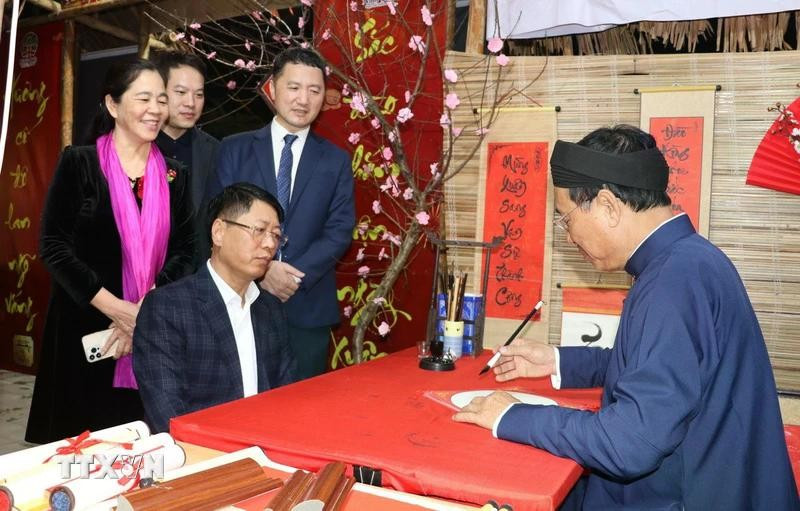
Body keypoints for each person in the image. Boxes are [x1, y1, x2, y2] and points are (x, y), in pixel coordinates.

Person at [453, 125, 799, 509]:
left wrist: (513, 416)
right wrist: (557, 360)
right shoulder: (688, 260)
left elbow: (630, 443)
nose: (568, 237)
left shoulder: (674, 281)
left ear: (607, 206)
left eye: (565, 219)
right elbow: (657, 366)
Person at [26, 59, 195, 444]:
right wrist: (118, 310)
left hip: (151, 333)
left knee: (141, 450)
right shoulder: (79, 164)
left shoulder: (174, 174)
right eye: (144, 98)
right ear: (113, 105)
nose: (156, 109)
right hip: (85, 328)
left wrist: (143, 313)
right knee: (79, 455)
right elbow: (53, 246)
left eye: (161, 99)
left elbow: (186, 249)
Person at [206, 47, 355, 380]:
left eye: (314, 90)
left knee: (302, 411)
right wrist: (263, 270)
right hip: (241, 300)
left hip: (307, 304)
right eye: (294, 87)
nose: (303, 99)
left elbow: (340, 228)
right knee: (239, 403)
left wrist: (290, 274)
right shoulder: (233, 148)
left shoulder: (335, 160)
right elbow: (218, 219)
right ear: (273, 88)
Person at [133, 183, 297, 433]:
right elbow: (166, 415)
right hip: (203, 460)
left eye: (276, 235)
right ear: (219, 232)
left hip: (267, 450)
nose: (269, 244)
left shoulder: (271, 309)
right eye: (259, 230)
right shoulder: (168, 308)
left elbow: (287, 397)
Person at [153, 51, 220, 268]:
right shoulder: (133, 146)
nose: (190, 103)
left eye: (199, 94)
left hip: (195, 281)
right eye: (181, 92)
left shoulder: (216, 153)